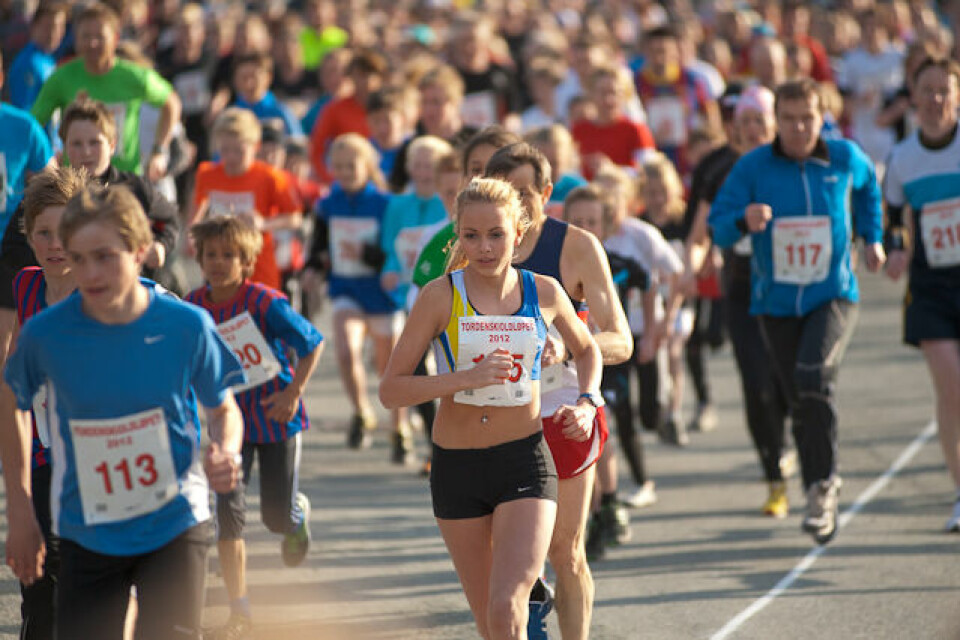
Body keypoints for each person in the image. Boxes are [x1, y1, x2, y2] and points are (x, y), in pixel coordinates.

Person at [0, 182, 245, 639]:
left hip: (175, 521)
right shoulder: (47, 333)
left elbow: (224, 407)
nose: (90, 272)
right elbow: (11, 403)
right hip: (86, 527)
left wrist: (226, 450)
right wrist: (20, 508)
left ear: (138, 252)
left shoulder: (184, 324)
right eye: (80, 256)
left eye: (106, 256)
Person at [378, 176, 602, 639]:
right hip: (457, 466)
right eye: (471, 236)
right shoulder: (440, 296)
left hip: (523, 457)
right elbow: (391, 390)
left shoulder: (544, 292)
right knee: (489, 623)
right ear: (457, 236)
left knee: (507, 607)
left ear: (518, 234)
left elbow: (587, 349)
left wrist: (587, 399)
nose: (484, 247)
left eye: (496, 234)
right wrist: (464, 379)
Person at [709, 78, 885, 545]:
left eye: (806, 118)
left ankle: (823, 485)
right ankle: (815, 487)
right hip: (775, 303)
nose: (798, 128)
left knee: (813, 377)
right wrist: (742, 221)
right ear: (776, 122)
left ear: (820, 115)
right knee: (796, 400)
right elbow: (718, 227)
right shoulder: (753, 167)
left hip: (832, 293)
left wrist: (874, 237)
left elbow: (870, 191)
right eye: (788, 120)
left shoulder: (844, 157)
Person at [485, 143, 633, 640]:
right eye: (504, 189)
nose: (515, 201)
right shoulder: (475, 247)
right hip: (495, 417)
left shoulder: (576, 246)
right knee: (501, 555)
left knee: (565, 550)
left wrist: (568, 348)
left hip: (562, 410)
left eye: (525, 191)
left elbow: (620, 338)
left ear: (548, 193)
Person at [186, 216, 324, 638]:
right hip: (230, 428)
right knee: (228, 518)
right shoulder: (192, 307)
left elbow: (312, 343)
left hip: (278, 419)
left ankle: (296, 514)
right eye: (211, 254)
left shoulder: (265, 301)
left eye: (229, 255)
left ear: (247, 261)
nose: (218, 262)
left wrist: (292, 394)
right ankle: (240, 609)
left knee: (276, 518)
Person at [686, 84, 791, 517]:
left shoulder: (792, 165)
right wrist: (695, 266)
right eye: (745, 121)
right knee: (754, 382)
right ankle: (774, 477)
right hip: (742, 285)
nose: (751, 129)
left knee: (786, 379)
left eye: (760, 122)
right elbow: (698, 233)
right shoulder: (717, 168)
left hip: (788, 284)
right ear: (734, 126)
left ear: (773, 126)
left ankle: (784, 440)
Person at [9, 165, 88, 640]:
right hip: (43, 452)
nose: (55, 244)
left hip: (100, 453)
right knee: (38, 580)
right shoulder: (26, 284)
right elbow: (19, 369)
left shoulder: (101, 290)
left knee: (90, 581)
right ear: (28, 234)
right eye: (43, 233)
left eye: (64, 233)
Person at [882, 57, 960, 532]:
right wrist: (895, 250)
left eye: (943, 90)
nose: (934, 100)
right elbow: (894, 220)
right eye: (925, 90)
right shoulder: (903, 158)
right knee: (952, 390)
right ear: (912, 99)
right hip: (931, 287)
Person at [303, 133, 409, 461]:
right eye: (340, 166)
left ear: (367, 166)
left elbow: (395, 254)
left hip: (381, 293)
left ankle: (399, 427)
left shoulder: (385, 204)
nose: (346, 172)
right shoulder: (327, 204)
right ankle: (362, 411)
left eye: (352, 165)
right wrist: (312, 270)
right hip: (346, 289)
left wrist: (364, 253)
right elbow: (318, 247)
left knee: (388, 367)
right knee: (347, 350)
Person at [561, 185, 649, 560]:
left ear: (607, 225)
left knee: (602, 426)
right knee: (581, 438)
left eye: (591, 222)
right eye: (576, 222)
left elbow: (649, 284)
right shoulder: (558, 265)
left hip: (608, 359)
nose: (584, 228)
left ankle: (609, 502)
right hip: (567, 362)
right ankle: (597, 509)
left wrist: (654, 331)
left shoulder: (617, 264)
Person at [30, 3, 182, 179]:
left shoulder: (133, 76)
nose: (92, 43)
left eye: (100, 37)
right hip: (75, 181)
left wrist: (159, 151)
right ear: (76, 39)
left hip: (124, 181)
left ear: (115, 38)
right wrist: (46, 159)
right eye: (85, 36)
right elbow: (34, 123)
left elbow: (172, 102)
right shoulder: (61, 77)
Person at [190, 107, 303, 291]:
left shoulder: (270, 177)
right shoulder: (207, 173)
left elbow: (295, 219)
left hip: (259, 271)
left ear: (255, 146)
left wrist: (263, 223)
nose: (231, 157)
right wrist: (192, 235)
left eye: (239, 151)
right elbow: (197, 209)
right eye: (225, 150)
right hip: (218, 271)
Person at [6, 3, 67, 111]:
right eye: (49, 26)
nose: (54, 33)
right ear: (34, 27)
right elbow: (23, 113)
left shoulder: (48, 59)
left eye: (60, 27)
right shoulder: (28, 63)